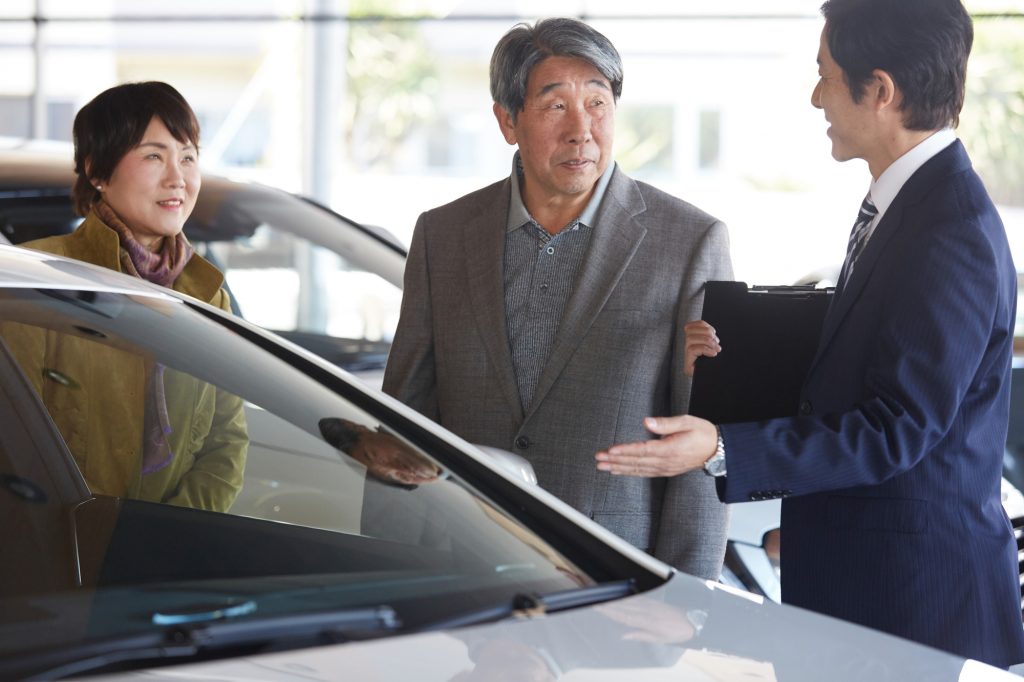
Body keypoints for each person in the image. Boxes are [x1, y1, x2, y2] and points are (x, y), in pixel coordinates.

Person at [595, 0, 1024, 668]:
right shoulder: (912, 205)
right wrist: (729, 363)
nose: (817, 95)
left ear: (879, 91)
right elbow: (868, 365)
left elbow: (897, 428)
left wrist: (724, 448)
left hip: (914, 610)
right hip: (868, 590)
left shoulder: (950, 233)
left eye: (825, 74)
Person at [383, 17, 733, 579]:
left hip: (615, 575)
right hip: (462, 563)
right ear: (507, 120)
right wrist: (386, 575)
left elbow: (700, 440)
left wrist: (689, 599)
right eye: (555, 106)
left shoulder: (688, 242)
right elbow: (404, 422)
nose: (582, 130)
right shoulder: (442, 236)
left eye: (598, 103)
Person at [3, 81, 248, 512]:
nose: (178, 178)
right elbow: (13, 452)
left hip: (171, 552)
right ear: (97, 170)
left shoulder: (208, 293)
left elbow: (227, 440)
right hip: (61, 552)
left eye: (188, 157)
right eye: (154, 155)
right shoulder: (38, 279)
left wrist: (170, 538)